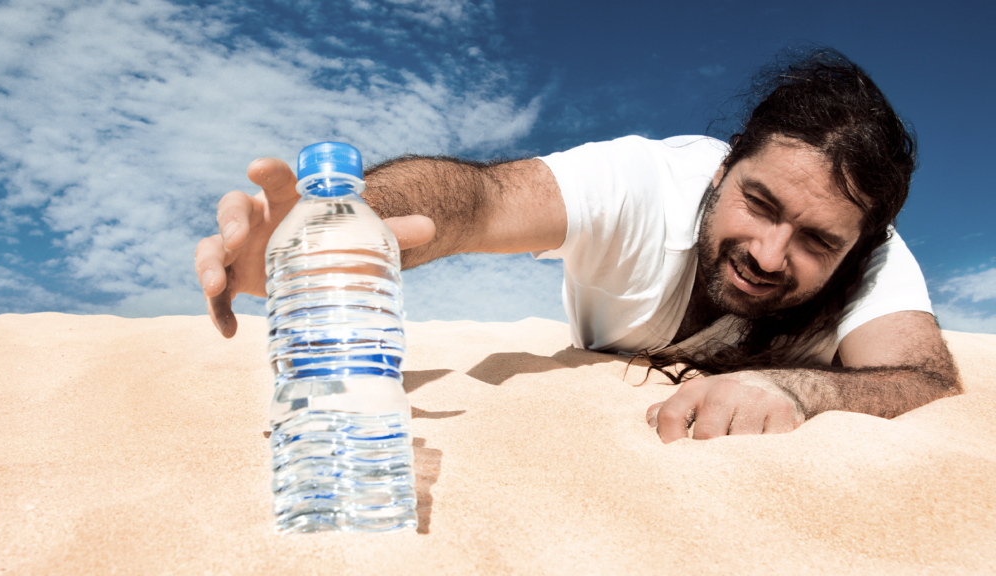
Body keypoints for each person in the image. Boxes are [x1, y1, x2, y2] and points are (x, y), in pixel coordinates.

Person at [194, 48, 961, 443]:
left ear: (857, 247)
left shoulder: (875, 259)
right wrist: (340, 224)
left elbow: (922, 380)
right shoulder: (645, 180)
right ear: (724, 171)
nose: (768, 252)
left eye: (816, 242)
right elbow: (475, 200)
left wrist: (803, 389)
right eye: (758, 203)